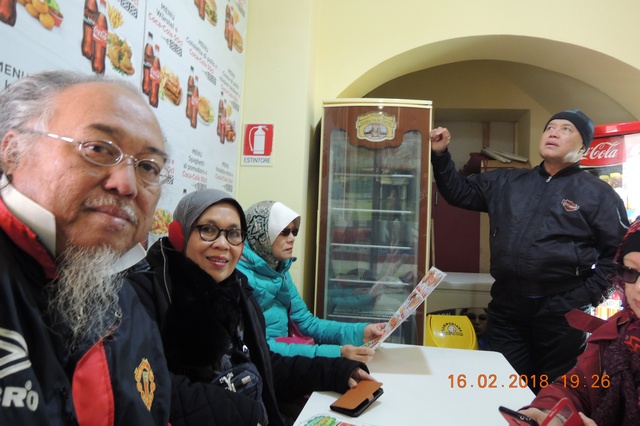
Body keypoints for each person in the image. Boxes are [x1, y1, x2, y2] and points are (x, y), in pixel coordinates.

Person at [0, 71, 172, 424]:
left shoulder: (130, 305)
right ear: (12, 152)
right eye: (98, 149)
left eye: (147, 167)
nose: (127, 185)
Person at [131, 189, 376, 426]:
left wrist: (335, 371)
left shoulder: (237, 290)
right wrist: (242, 413)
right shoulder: (148, 293)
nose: (222, 244)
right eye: (208, 230)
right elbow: (152, 387)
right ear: (179, 235)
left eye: (233, 234)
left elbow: (264, 362)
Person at [430, 110, 629, 391]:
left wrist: (588, 295)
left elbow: (618, 253)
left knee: (555, 390)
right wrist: (440, 154)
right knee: (505, 386)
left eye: (566, 129)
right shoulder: (507, 182)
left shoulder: (599, 194)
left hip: (563, 308)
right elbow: (457, 191)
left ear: (584, 148)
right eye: (550, 127)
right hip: (508, 305)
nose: (554, 132)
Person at [519, 218, 640, 426]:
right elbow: (576, 388)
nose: (638, 288)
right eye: (630, 271)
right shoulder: (620, 334)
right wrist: (551, 414)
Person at [236, 200, 386, 362]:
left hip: (284, 362)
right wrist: (338, 353)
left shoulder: (279, 270)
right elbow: (259, 348)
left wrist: (361, 332)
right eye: (284, 232)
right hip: (265, 367)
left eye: (294, 231)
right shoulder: (239, 278)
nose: (292, 238)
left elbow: (307, 323)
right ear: (261, 234)